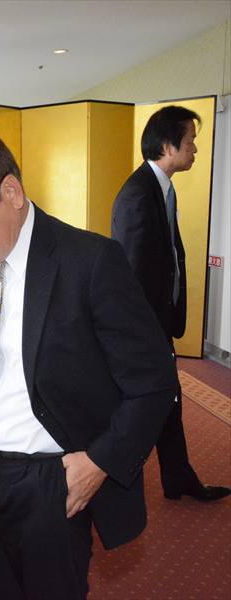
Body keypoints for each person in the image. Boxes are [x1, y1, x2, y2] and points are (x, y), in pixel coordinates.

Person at [0, 129, 177, 600]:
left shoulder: (90, 261)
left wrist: (100, 461)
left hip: (51, 480)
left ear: (11, 193)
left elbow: (155, 382)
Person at [111, 105, 230, 502]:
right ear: (167, 145)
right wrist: (145, 335)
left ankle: (177, 478)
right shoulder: (137, 195)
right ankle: (108, 481)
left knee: (168, 400)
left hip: (157, 321)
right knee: (144, 404)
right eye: (190, 141)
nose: (195, 149)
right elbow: (130, 273)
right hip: (143, 328)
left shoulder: (160, 188)